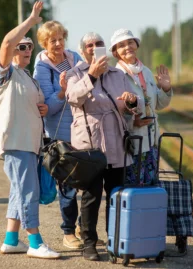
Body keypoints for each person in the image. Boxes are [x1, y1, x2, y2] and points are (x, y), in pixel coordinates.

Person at [0, 1, 60, 259]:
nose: (27, 48)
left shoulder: (27, 76)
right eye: (22, 46)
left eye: (30, 46)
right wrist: (31, 21)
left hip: (30, 144)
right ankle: (35, 242)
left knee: (18, 191)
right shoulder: (3, 74)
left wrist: (43, 108)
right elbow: (7, 44)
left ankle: (11, 239)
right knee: (28, 191)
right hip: (16, 142)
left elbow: (35, 106)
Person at [65, 32, 142, 261]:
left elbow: (133, 104)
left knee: (116, 194)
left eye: (98, 44)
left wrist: (131, 102)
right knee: (91, 196)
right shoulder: (74, 73)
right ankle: (89, 243)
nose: (94, 48)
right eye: (89, 45)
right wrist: (91, 75)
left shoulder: (117, 73)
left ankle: (114, 239)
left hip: (116, 141)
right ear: (82, 51)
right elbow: (72, 97)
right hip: (89, 145)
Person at [33, 20, 85, 250]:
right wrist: (63, 92)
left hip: (83, 130)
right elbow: (48, 106)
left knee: (88, 182)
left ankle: (83, 227)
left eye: (60, 38)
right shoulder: (42, 66)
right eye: (52, 40)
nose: (57, 43)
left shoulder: (75, 58)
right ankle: (68, 231)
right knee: (67, 186)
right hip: (58, 133)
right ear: (44, 44)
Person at [110, 28, 173, 184]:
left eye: (130, 42)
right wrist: (132, 122)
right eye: (121, 45)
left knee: (150, 187)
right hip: (131, 144)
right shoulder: (115, 75)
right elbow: (113, 111)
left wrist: (165, 88)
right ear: (116, 52)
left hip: (151, 142)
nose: (127, 47)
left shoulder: (146, 72)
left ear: (136, 45)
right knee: (133, 188)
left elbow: (158, 104)